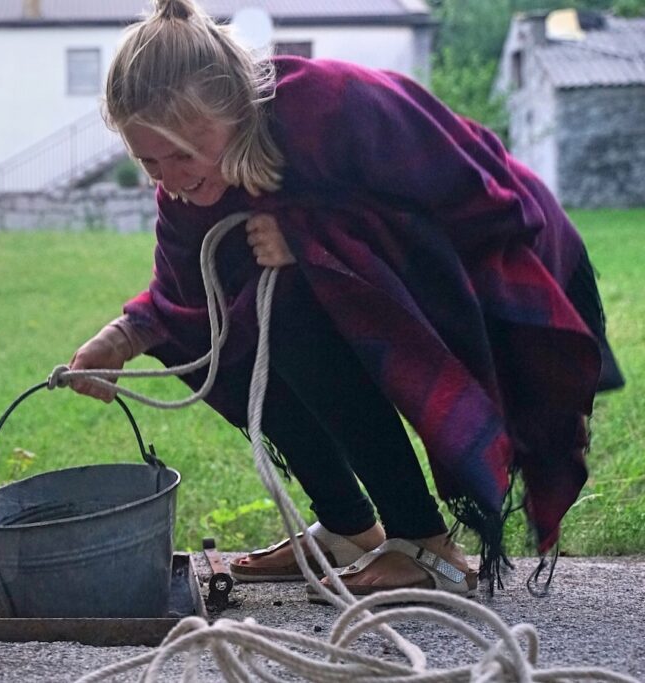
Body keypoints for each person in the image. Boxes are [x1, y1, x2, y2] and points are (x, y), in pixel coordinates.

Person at [67, 0, 623, 595]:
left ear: (234, 106)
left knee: (290, 309)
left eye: (183, 153)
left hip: (502, 242)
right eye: (149, 161)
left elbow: (463, 195)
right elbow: (185, 298)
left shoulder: (329, 103)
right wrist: (121, 338)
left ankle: (424, 544)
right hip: (380, 262)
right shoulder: (181, 193)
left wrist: (307, 237)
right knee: (234, 333)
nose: (171, 178)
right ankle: (348, 528)